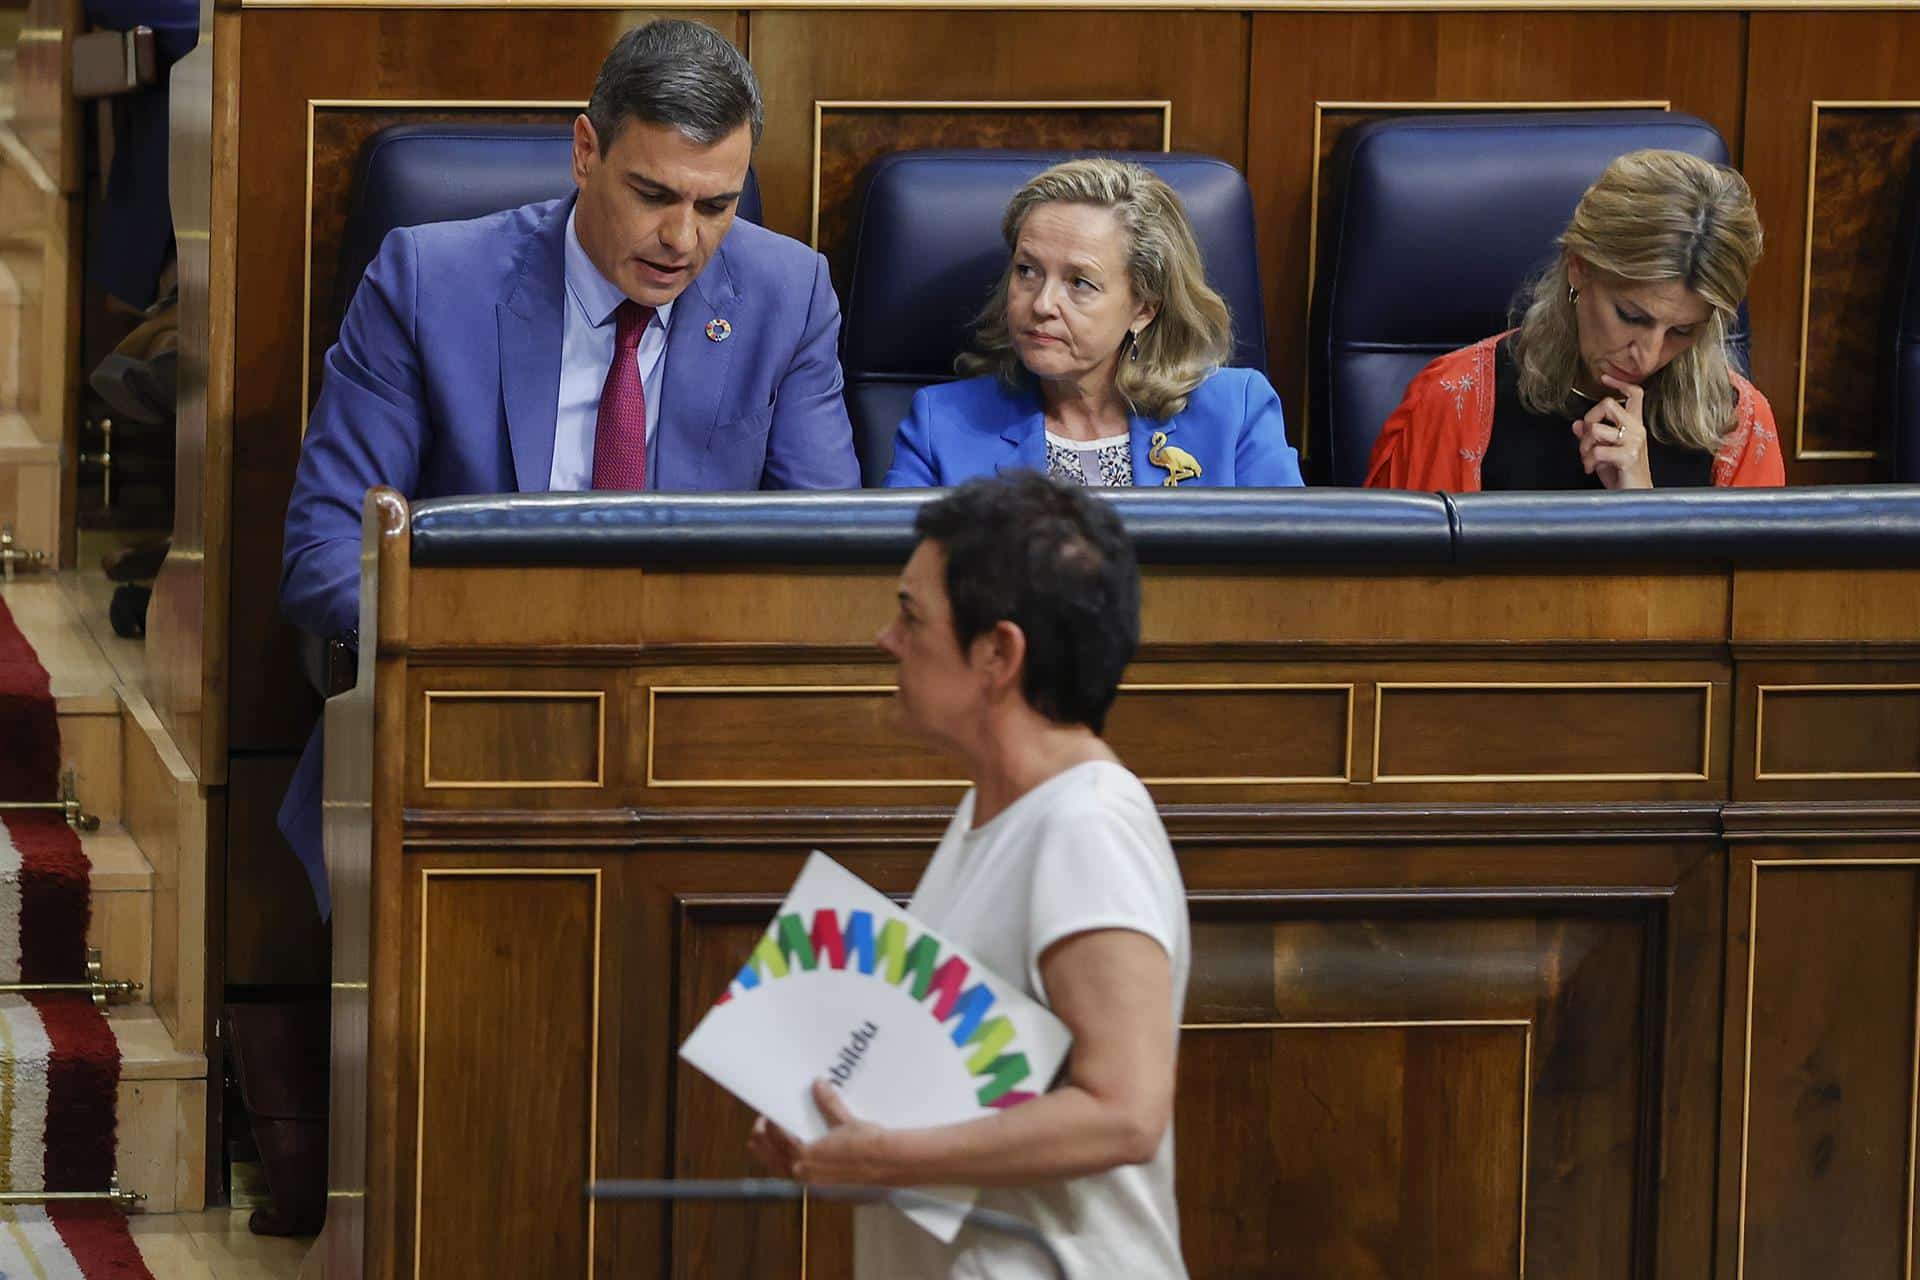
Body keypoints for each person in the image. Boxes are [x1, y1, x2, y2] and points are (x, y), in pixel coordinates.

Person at [277, 20, 859, 914]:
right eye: (653, 193)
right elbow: (323, 553)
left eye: (716, 206)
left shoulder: (789, 294)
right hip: (470, 716)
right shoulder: (431, 281)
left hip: (694, 735)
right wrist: (519, 643)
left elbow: (827, 562)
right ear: (585, 151)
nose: (682, 239)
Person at [750, 473, 1192, 1279]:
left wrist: (887, 1157)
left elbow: (1124, 1113)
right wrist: (837, 1133)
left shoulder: (1086, 826)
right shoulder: (990, 810)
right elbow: (971, 1097)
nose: (887, 638)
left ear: (998, 653)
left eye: (912, 616)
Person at [1365, 149, 1782, 492]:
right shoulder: (1454, 402)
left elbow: (1748, 593)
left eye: (1682, 331)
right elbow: (1396, 587)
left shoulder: (1737, 426)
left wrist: (1643, 507)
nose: (1649, 356)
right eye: (1631, 316)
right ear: (1579, 266)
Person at [883, 158, 1301, 489]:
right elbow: (894, 580)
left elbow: (1287, 578)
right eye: (1027, 270)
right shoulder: (941, 425)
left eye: (1079, 282)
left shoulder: (1236, 413)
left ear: (1144, 307)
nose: (1042, 303)